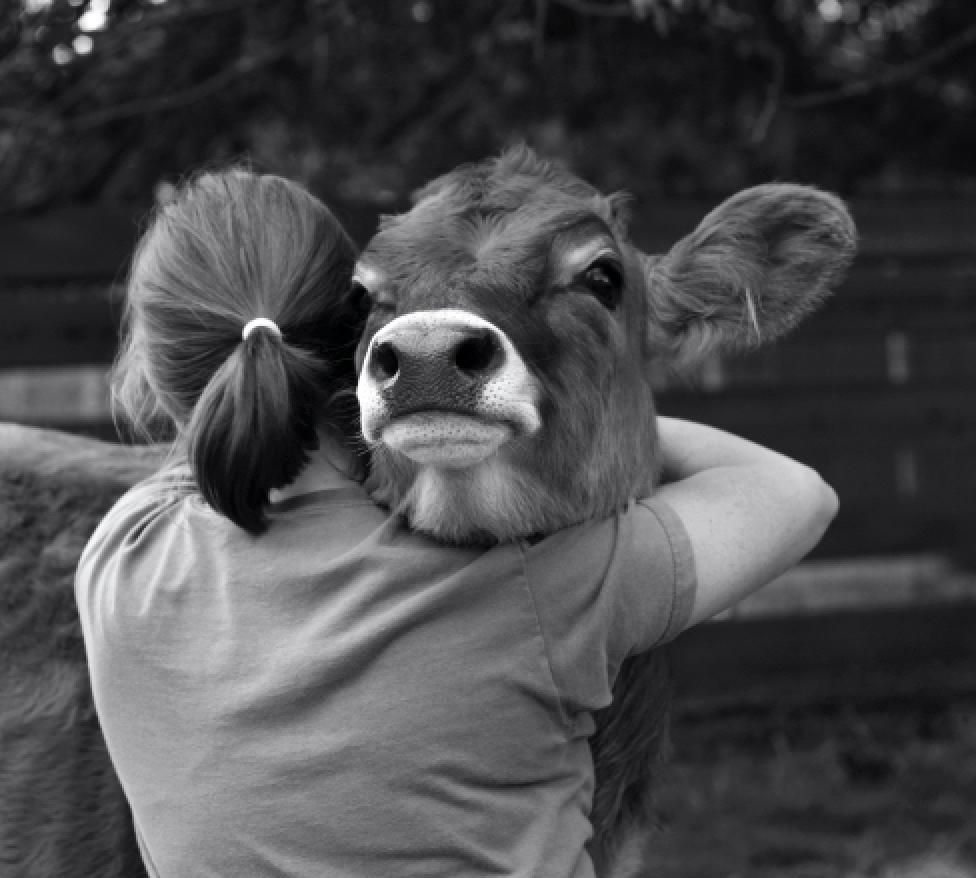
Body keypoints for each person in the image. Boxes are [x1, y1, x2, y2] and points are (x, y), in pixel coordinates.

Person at [74, 168, 838, 878]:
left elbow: (204, 434)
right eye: (377, 302)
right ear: (350, 348)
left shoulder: (118, 555)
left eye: (596, 279)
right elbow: (795, 493)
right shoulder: (542, 595)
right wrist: (606, 398)